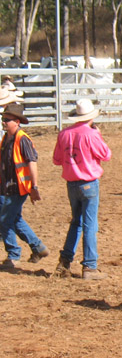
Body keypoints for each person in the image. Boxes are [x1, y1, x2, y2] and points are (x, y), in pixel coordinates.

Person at [52, 99, 112, 280]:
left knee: (76, 222)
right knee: (90, 224)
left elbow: (56, 159)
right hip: (89, 182)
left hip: (72, 182)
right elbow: (106, 154)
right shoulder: (91, 134)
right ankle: (90, 266)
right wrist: (98, 135)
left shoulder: (64, 134)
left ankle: (65, 261)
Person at [0, 103, 48, 270]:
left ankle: (13, 256)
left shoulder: (22, 139)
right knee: (15, 219)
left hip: (17, 187)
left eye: (7, 120)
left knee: (5, 221)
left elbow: (32, 162)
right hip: (7, 187)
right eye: (3, 119)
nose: (4, 122)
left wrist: (34, 187)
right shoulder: (6, 138)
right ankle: (38, 248)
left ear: (17, 122)